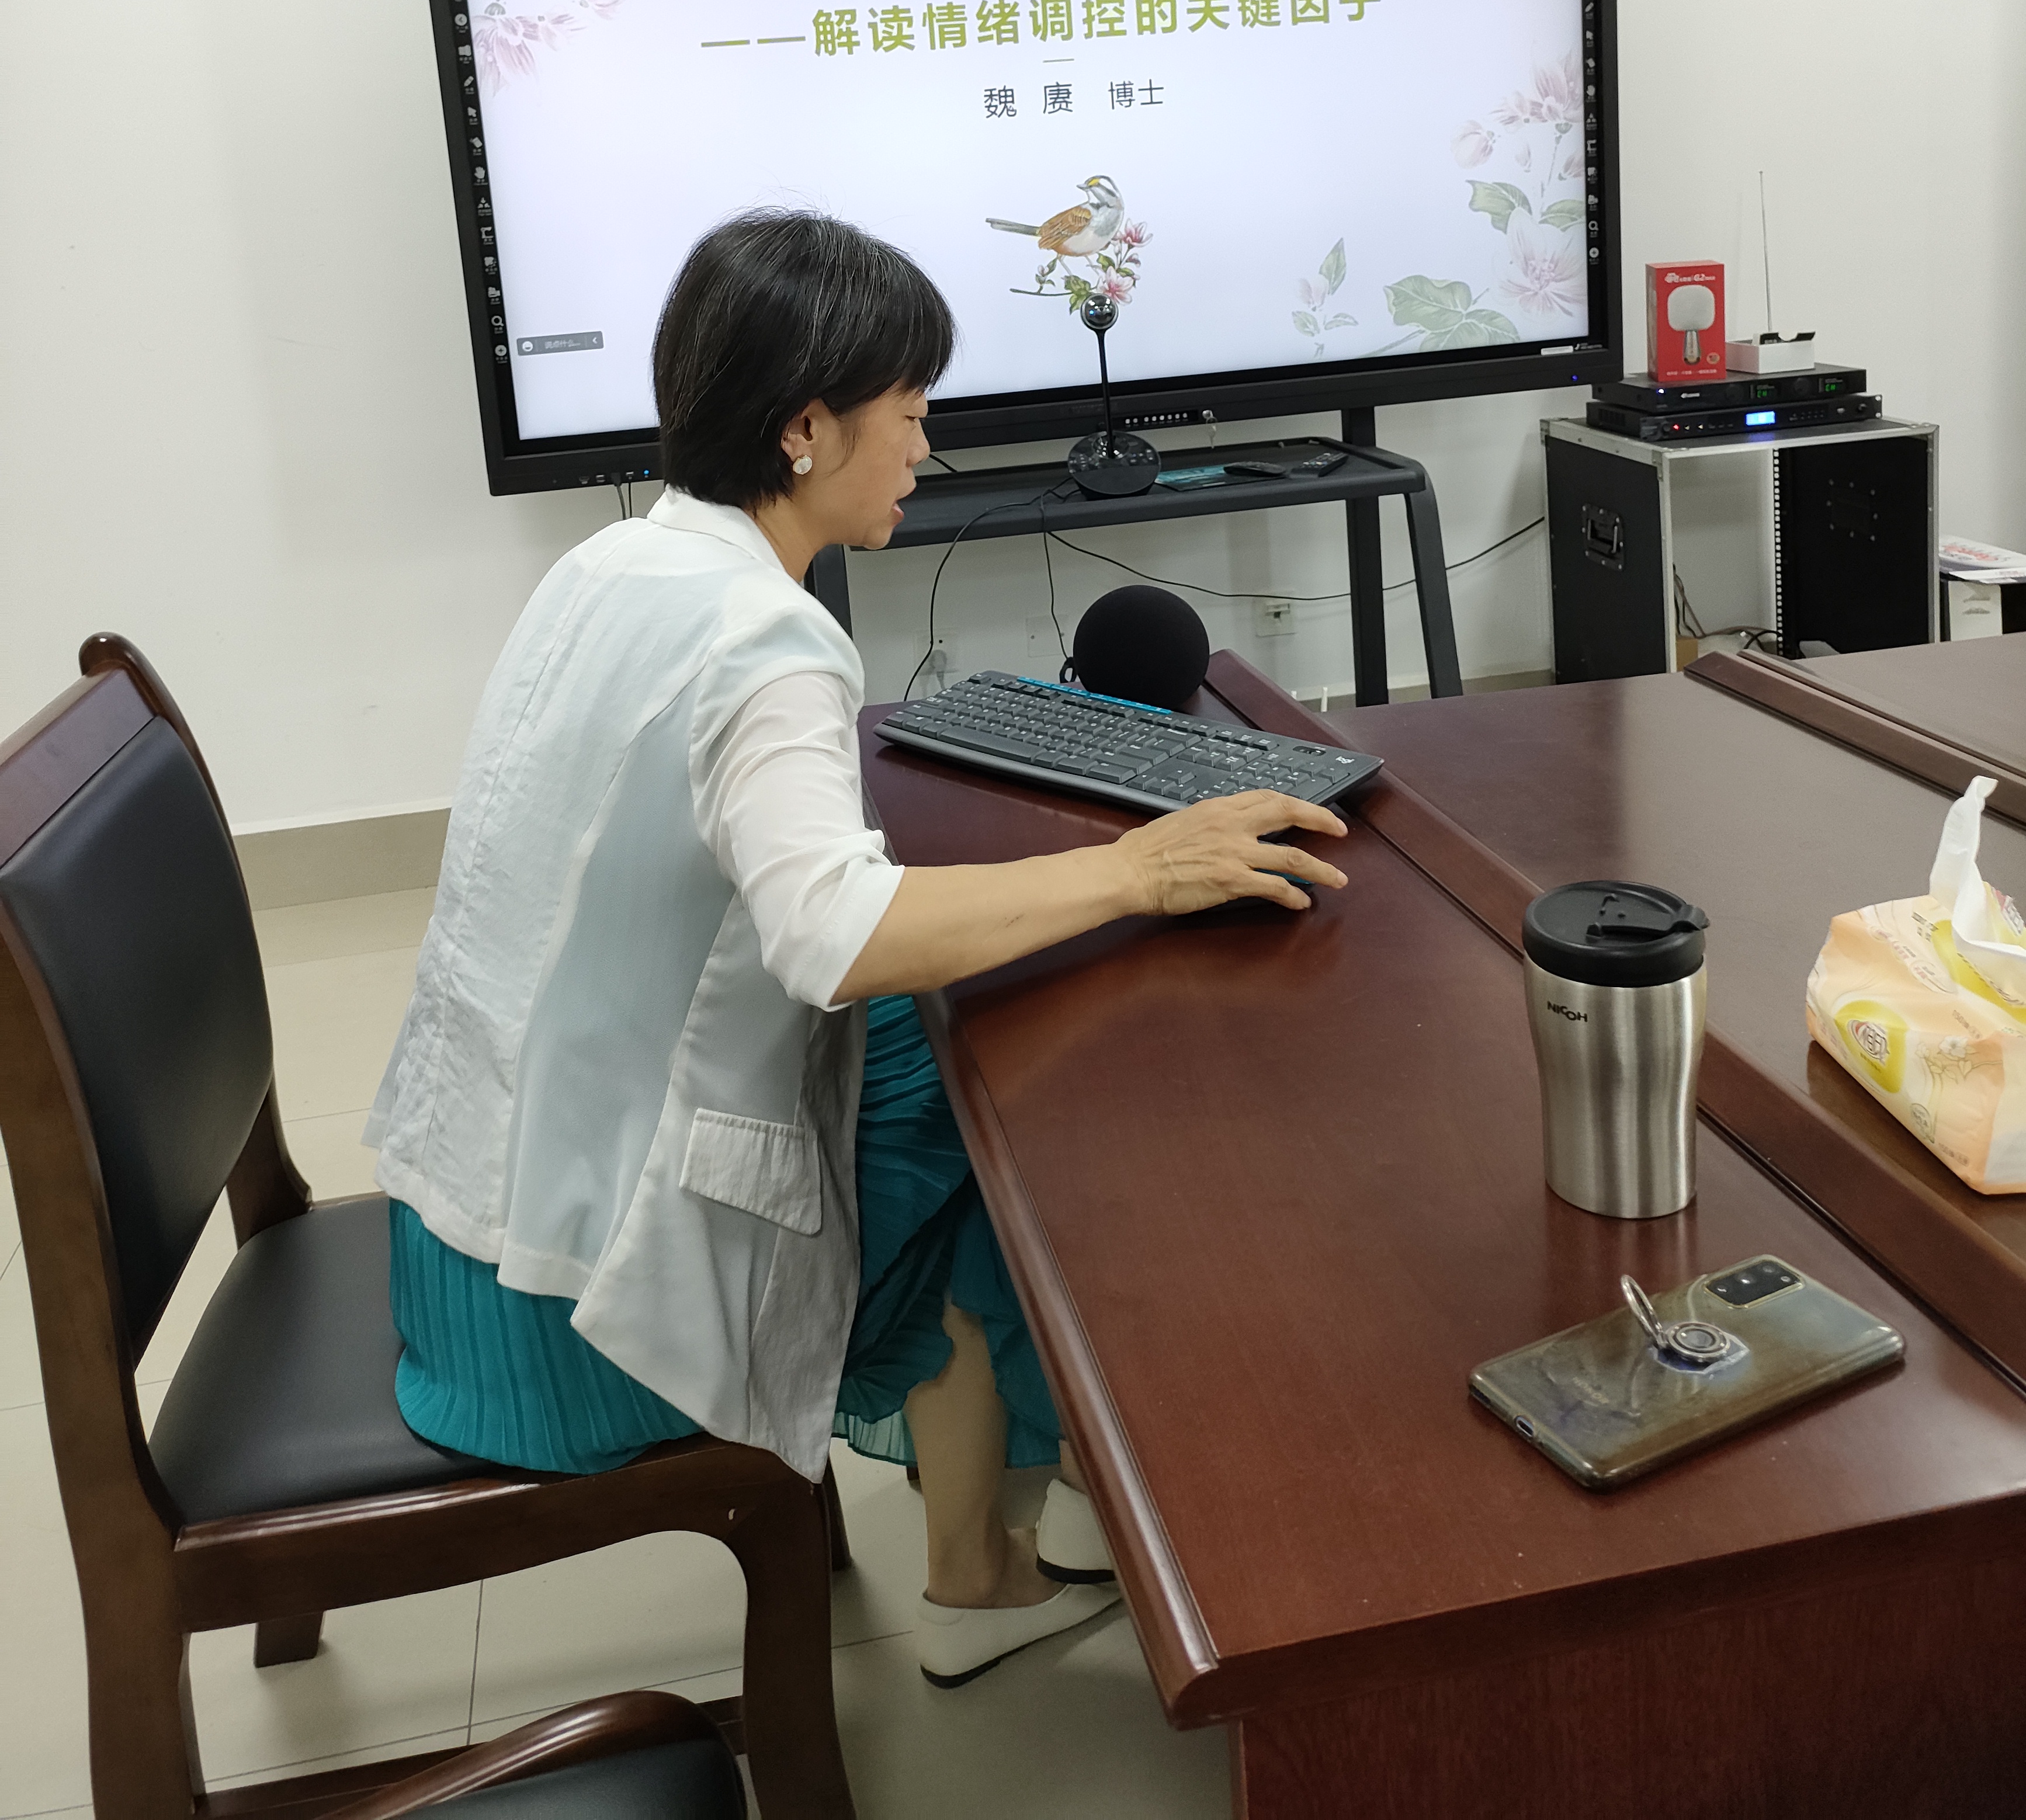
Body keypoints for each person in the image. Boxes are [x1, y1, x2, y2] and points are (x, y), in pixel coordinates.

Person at [366, 209, 1346, 1688]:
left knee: (950, 1040)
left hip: (459, 1232)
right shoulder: (766, 640)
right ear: (806, 427)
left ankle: (1041, 1504)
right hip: (578, 1316)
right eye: (912, 411)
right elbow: (834, 936)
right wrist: (1138, 868)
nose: (926, 448)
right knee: (1005, 1095)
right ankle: (1003, 1556)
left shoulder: (609, 564)